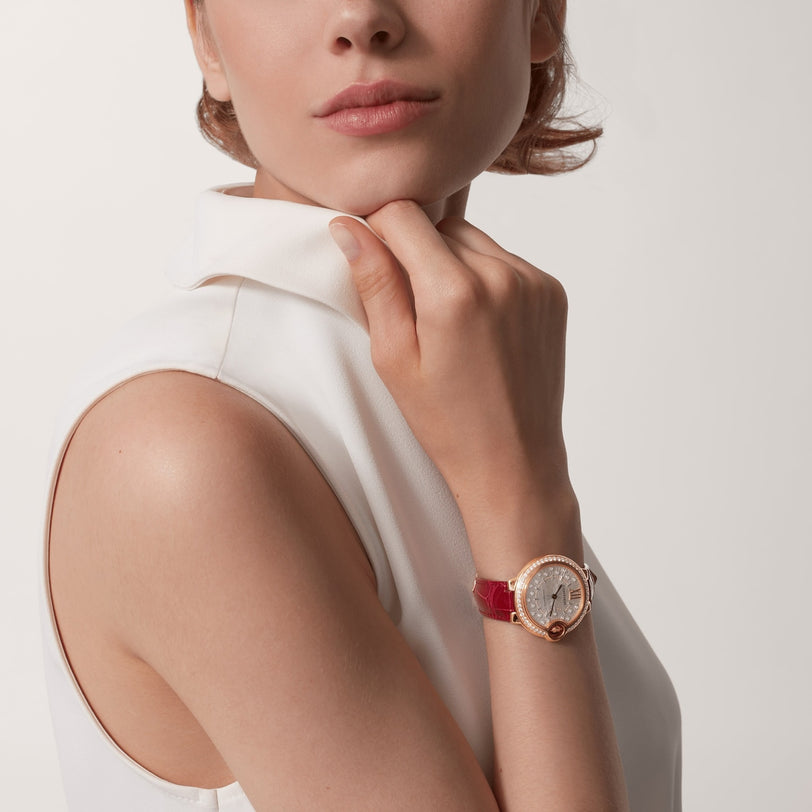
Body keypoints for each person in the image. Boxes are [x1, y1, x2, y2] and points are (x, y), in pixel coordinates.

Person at [40, 1, 681, 809]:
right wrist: (524, 503)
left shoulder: (454, 364)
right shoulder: (187, 447)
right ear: (206, 38)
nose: (361, 18)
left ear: (542, 12)